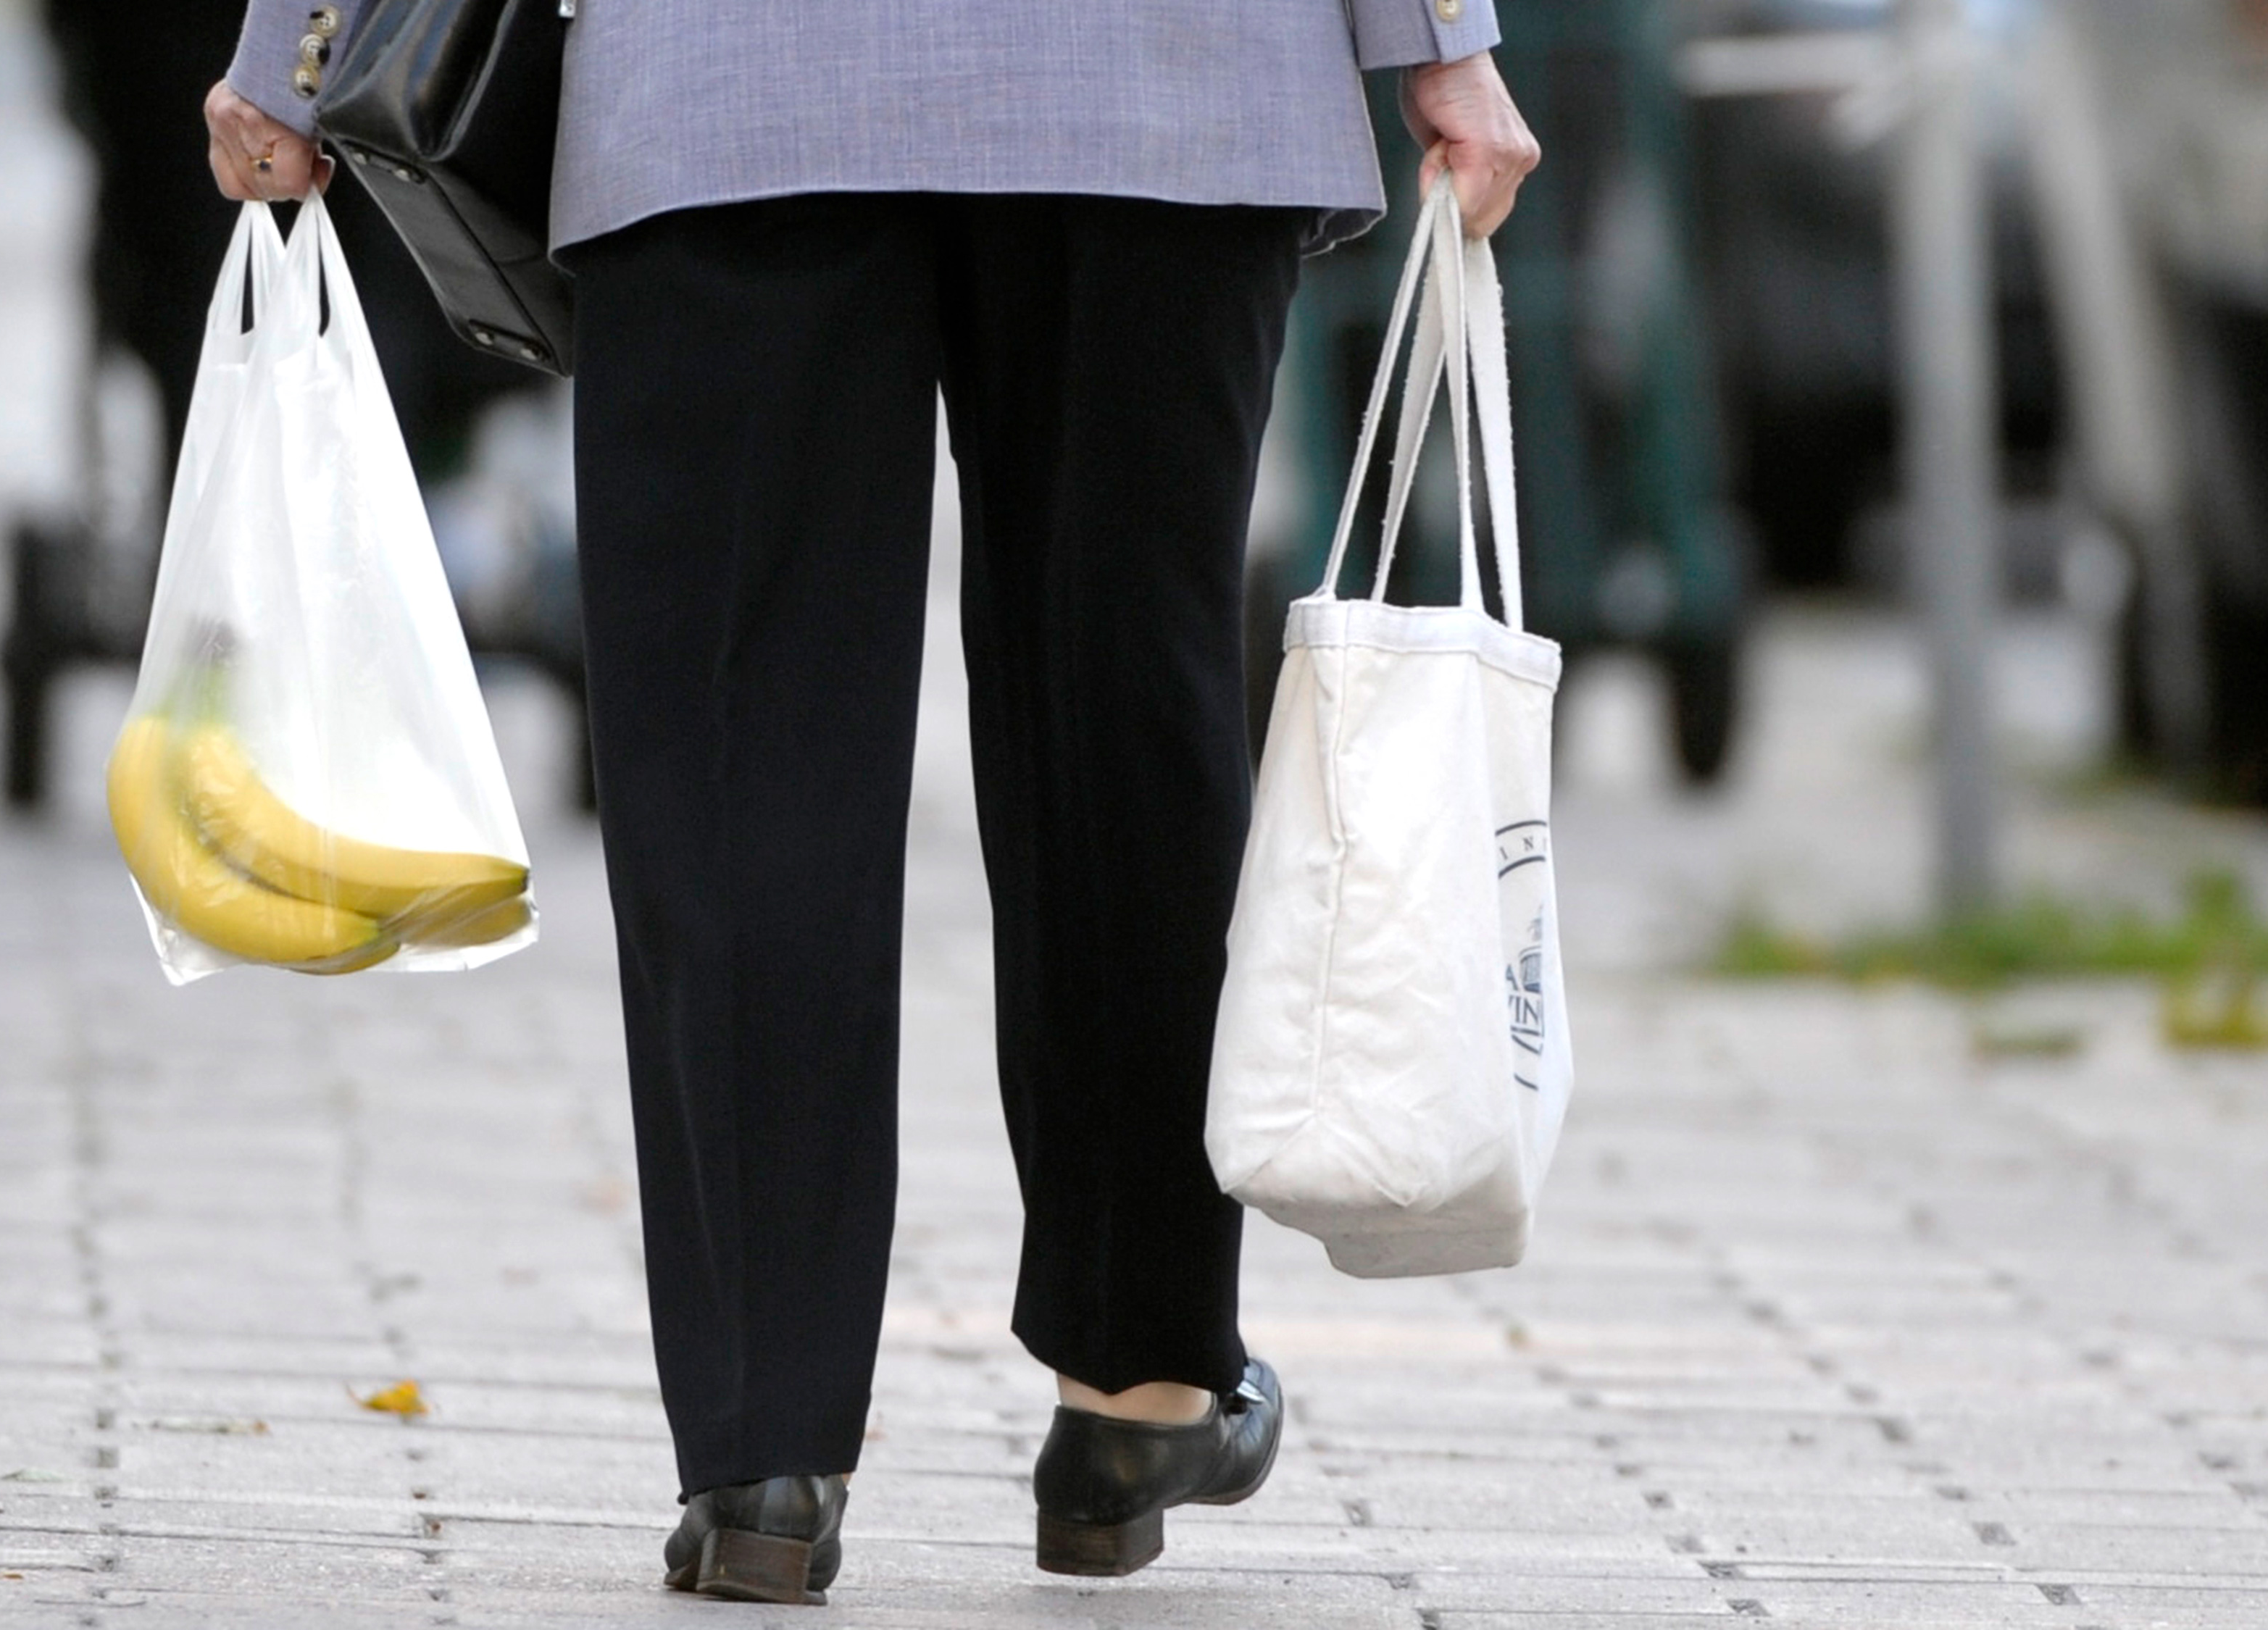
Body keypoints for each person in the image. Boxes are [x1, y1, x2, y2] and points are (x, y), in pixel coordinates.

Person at [205, 0, 1537, 1603]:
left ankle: (764, 1449)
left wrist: (297, 35)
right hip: (1164, 81)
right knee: (1122, 707)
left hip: (730, 87)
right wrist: (1441, 37)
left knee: (735, 738)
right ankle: (1139, 1388)